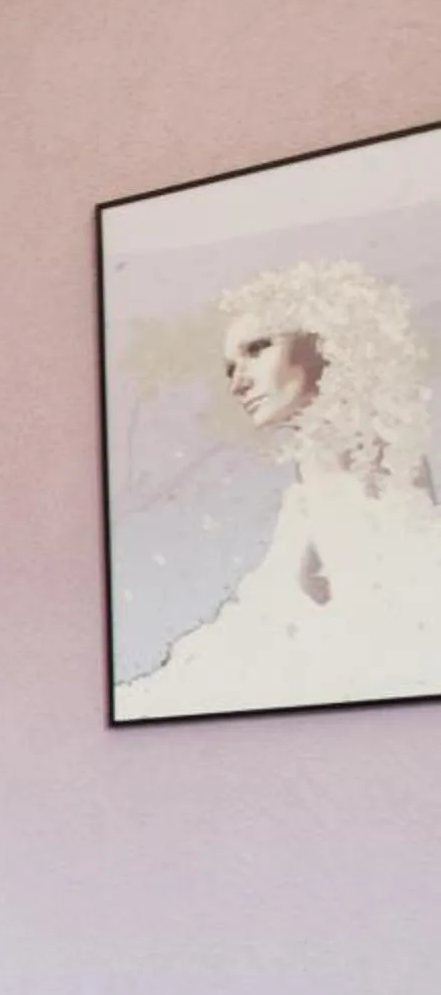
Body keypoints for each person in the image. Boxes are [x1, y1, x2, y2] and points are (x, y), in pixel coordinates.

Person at [117, 258, 441, 720]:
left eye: (257, 349)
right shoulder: (313, 479)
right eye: (230, 367)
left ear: (325, 339)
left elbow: (387, 609)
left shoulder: (369, 458)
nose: (238, 382)